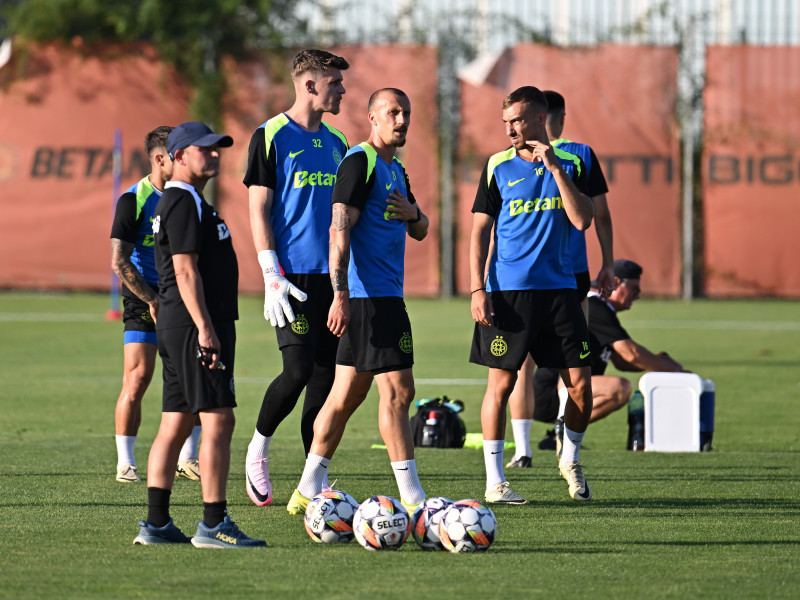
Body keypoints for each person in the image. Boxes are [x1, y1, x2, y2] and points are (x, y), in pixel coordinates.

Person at [289, 88, 429, 516]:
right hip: (371, 300)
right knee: (399, 393)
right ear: (372, 117)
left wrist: (413, 214)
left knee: (344, 396)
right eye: (393, 112)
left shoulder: (397, 171)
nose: (401, 119)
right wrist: (341, 295)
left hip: (384, 296)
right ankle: (413, 498)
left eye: (406, 112)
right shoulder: (360, 161)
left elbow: (420, 230)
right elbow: (338, 228)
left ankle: (305, 489)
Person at [133, 122, 264, 547]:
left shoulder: (186, 199)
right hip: (193, 325)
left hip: (181, 322)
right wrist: (206, 328)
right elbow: (185, 270)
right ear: (178, 156)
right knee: (218, 418)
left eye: (217, 148)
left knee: (176, 421)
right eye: (203, 149)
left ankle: (156, 524)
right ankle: (213, 523)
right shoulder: (183, 199)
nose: (214, 155)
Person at [469, 86, 595, 504]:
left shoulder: (574, 162)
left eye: (518, 121)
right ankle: (495, 481)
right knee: (500, 386)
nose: (510, 130)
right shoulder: (497, 166)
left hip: (560, 291)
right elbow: (479, 232)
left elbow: (582, 222)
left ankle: (570, 460)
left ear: (541, 119)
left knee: (580, 385)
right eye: (506, 122)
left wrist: (556, 170)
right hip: (508, 295)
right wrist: (476, 287)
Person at [243, 49, 350, 507]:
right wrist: (271, 272)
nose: (342, 90)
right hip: (290, 277)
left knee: (326, 382)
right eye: (334, 83)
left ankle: (314, 483)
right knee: (298, 369)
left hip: (334, 280)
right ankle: (257, 449)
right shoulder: (270, 135)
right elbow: (258, 207)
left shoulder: (339, 142)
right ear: (310, 85)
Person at [506, 90, 616, 468]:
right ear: (560, 116)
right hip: (571, 272)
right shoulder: (581, 154)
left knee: (522, 365)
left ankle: (522, 449)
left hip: (524, 274)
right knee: (573, 365)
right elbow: (600, 214)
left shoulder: (513, 158)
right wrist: (609, 262)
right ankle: (560, 433)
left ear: (536, 117)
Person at [110, 126, 201, 483]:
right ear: (161, 158)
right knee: (138, 378)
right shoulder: (133, 200)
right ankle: (126, 463)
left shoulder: (189, 196)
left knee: (193, 377)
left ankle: (188, 457)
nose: (185, 160)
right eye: (178, 154)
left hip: (183, 297)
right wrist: (151, 299)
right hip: (142, 298)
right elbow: (119, 261)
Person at [533, 259, 688, 453]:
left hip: (563, 387)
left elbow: (621, 361)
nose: (637, 296)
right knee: (620, 388)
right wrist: (675, 370)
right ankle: (564, 429)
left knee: (619, 387)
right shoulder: (594, 305)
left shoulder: (599, 308)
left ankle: (558, 434)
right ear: (615, 282)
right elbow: (630, 353)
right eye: (634, 289)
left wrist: (658, 363)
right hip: (553, 391)